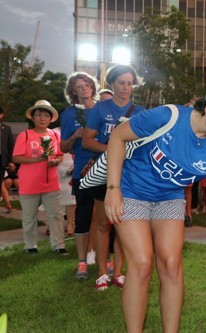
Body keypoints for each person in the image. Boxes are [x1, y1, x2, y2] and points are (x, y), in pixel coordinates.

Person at [104, 84, 206, 333]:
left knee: (171, 264)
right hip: (131, 190)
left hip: (169, 197)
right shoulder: (168, 117)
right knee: (141, 263)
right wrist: (113, 189)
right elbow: (118, 136)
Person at [83, 64, 145, 290]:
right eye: (121, 82)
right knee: (102, 224)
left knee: (122, 225)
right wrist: (111, 150)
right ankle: (101, 273)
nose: (126, 87)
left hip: (129, 177)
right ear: (112, 84)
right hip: (104, 174)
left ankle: (118, 272)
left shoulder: (140, 112)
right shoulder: (100, 109)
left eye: (130, 83)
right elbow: (87, 140)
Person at [13, 100, 67, 255]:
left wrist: (56, 160)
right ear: (33, 118)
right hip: (29, 184)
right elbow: (17, 157)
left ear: (50, 119)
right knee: (29, 217)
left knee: (55, 215)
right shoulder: (25, 135)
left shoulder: (55, 135)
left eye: (45, 115)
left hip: (50, 183)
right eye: (38, 115)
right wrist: (38, 159)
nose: (42, 118)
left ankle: (58, 245)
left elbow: (60, 154)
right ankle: (30, 246)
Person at [60, 72, 100, 279]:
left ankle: (102, 257)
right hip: (83, 171)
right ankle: (82, 261)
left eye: (87, 84)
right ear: (73, 91)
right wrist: (75, 135)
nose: (84, 88)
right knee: (84, 216)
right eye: (79, 85)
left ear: (93, 87)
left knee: (103, 217)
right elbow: (63, 146)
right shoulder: (68, 115)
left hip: (105, 170)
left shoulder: (103, 109)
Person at [0, 107, 14, 212]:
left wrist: (11, 161)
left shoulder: (6, 129)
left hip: (2, 160)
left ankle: (8, 203)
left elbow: (11, 146)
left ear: (1, 115)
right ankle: (8, 203)